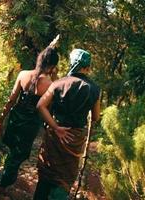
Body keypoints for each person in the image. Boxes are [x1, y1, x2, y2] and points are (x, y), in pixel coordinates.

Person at [0, 37, 60, 200]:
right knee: (17, 157)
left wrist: (1, 121)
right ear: (52, 66)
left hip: (15, 119)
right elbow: (49, 107)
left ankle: (5, 183)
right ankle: (0, 190)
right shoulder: (51, 84)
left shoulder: (23, 74)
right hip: (29, 126)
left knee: (13, 153)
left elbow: (11, 100)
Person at [34, 49, 101, 200]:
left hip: (55, 136)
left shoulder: (58, 83)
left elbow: (40, 106)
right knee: (66, 176)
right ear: (87, 67)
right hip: (75, 139)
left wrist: (56, 127)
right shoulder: (94, 89)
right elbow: (96, 117)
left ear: (72, 63)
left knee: (47, 171)